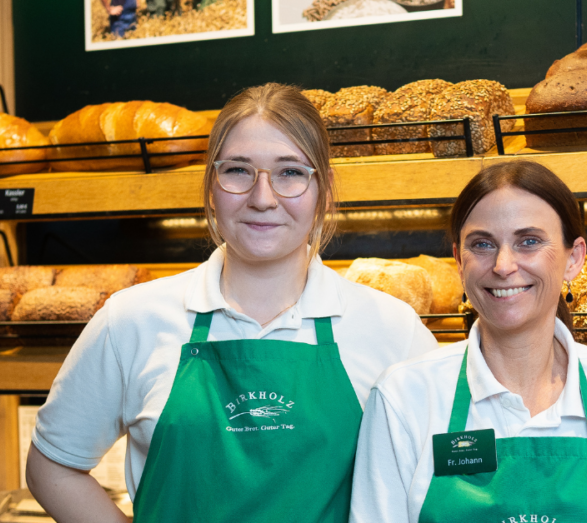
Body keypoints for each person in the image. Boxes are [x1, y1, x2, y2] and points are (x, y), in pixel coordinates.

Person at [25, 83, 439, 522]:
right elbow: (52, 464)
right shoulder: (132, 320)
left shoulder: (392, 329)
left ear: (324, 189)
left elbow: (444, 477)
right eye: (239, 171)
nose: (263, 198)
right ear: (211, 186)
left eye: (291, 172)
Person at [350, 160, 587, 523]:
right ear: (458, 260)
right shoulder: (405, 395)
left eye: (528, 241)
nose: (503, 265)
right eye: (482, 244)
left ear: (573, 258)